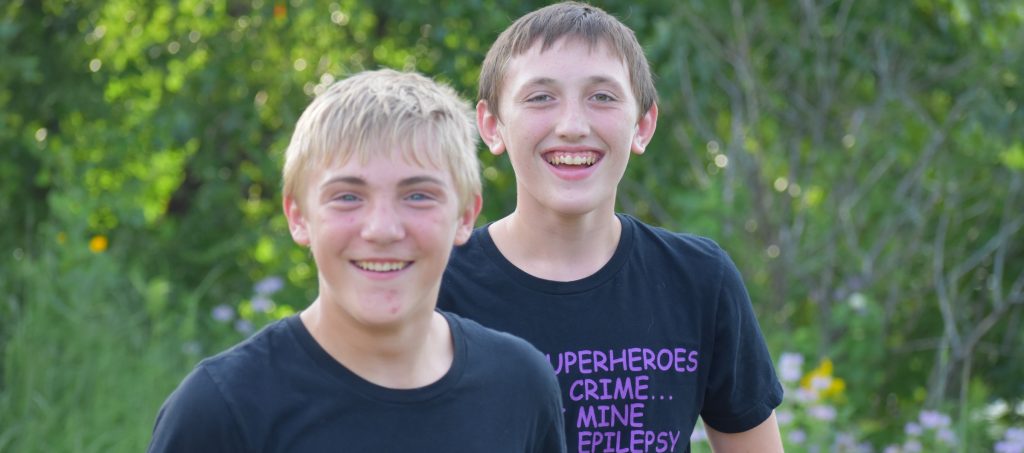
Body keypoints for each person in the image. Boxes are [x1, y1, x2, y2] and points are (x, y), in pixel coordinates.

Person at [148, 69, 566, 452]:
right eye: (348, 196)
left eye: (417, 195)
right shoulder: (221, 411)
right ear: (298, 217)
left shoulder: (519, 385)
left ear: (465, 216)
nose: (382, 229)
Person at [438, 2, 784, 452]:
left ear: (642, 125)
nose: (573, 126)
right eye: (540, 96)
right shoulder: (439, 285)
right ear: (491, 125)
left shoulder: (699, 280)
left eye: (602, 96)